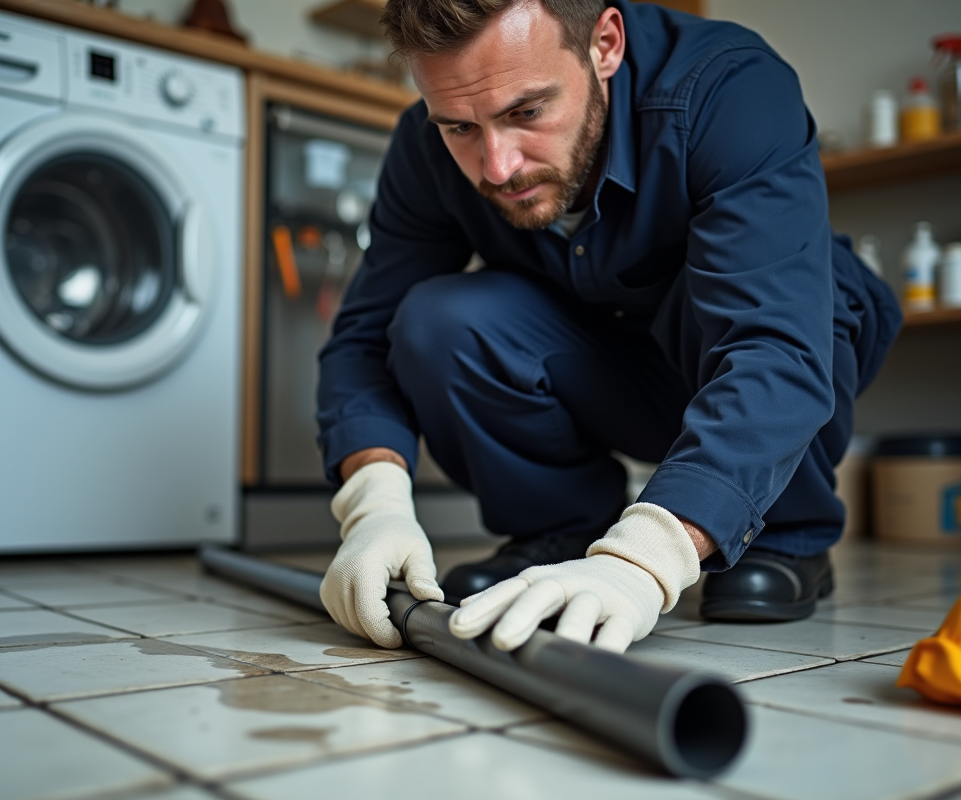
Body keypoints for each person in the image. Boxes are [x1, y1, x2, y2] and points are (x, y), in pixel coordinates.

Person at [315, 0, 901, 654]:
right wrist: (374, 504)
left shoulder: (730, 86)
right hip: (604, 368)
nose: (497, 166)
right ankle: (562, 531)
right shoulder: (426, 149)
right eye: (459, 128)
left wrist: (643, 561)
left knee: (812, 290)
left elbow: (775, 345)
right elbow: (364, 338)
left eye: (527, 111)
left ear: (605, 44)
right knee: (437, 319)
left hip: (741, 363)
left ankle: (786, 533)